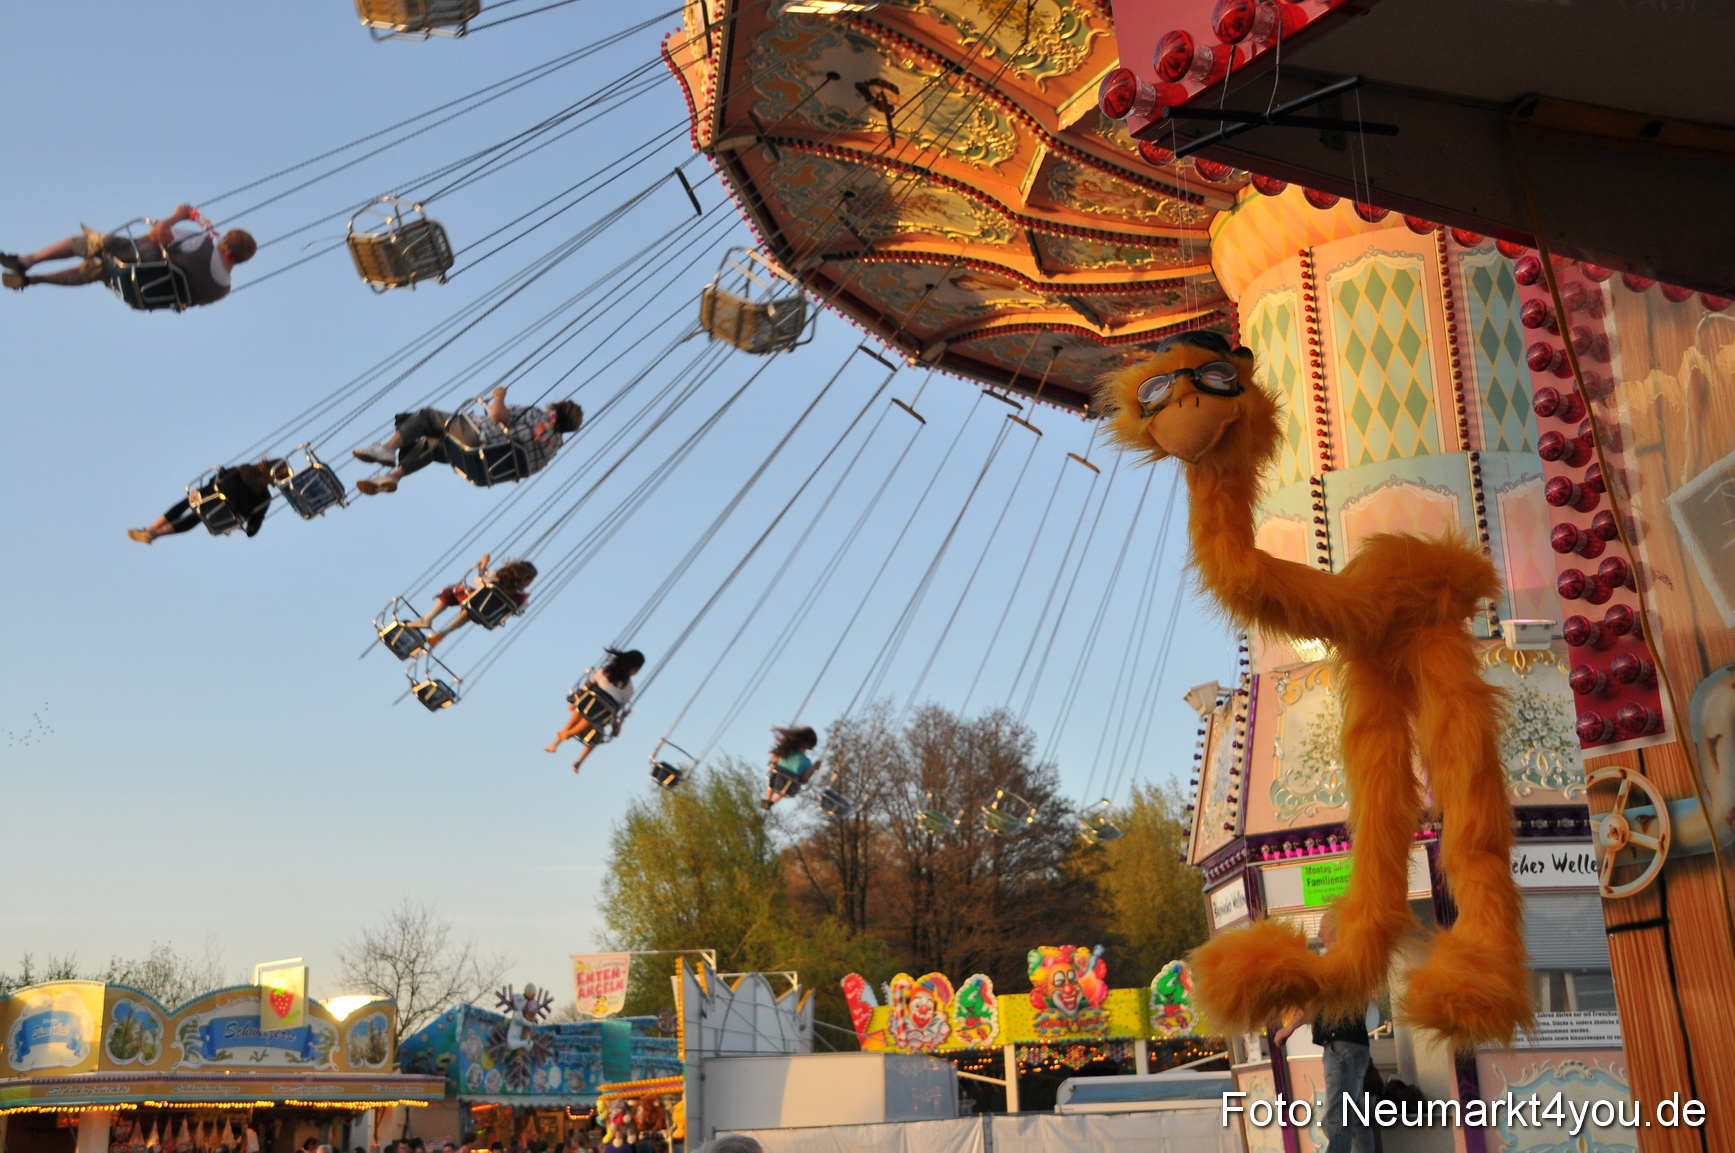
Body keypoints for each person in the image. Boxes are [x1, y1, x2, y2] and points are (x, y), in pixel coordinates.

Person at [350, 386, 583, 495]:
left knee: (427, 416)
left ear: (558, 408)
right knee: (434, 444)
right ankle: (393, 477)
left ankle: (388, 450)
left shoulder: (539, 419)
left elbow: (497, 416)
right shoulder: (551, 449)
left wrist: (499, 397)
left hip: (479, 441)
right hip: (484, 470)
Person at [1271, 911, 1374, 1153]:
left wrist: (1289, 1027)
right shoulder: (1348, 962)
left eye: (1323, 928)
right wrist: (1289, 1028)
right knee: (1356, 1116)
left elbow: (1315, 1003)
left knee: (1338, 1118)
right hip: (1349, 1046)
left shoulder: (1341, 963)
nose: (1318, 934)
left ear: (1337, 932)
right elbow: (1318, 1003)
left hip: (1343, 1047)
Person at [3, 205, 256, 303]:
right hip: (142, 293)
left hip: (138, 260)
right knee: (98, 272)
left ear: (225, 243)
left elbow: (158, 233)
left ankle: (28, 261)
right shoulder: (222, 289)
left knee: (91, 242)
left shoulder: (198, 242)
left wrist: (180, 215)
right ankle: (33, 281)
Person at [128, 458, 285, 543]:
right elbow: (253, 527)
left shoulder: (243, 469)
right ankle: (156, 534)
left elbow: (218, 478)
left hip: (208, 497)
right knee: (199, 517)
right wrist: (250, 527)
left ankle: (151, 529)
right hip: (224, 516)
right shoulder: (265, 498)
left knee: (190, 503)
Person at [407, 553, 538, 647]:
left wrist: (483, 565)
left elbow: (478, 580)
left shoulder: (495, 578)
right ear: (526, 580)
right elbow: (518, 611)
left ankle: (428, 618)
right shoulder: (522, 599)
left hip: (473, 603)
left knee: (454, 591)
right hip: (486, 616)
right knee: (469, 613)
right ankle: (444, 632)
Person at [546, 648, 645, 770]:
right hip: (602, 712)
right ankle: (571, 742)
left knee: (579, 715)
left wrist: (576, 699)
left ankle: (555, 743)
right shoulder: (628, 689)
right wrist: (616, 724)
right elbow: (617, 710)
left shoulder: (605, 671)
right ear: (634, 668)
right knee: (595, 719)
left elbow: (588, 685)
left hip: (588, 702)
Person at [762, 725, 820, 810]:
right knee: (786, 790)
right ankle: (772, 801)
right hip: (791, 782)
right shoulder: (807, 762)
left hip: (777, 775)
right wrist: (814, 769)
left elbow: (774, 759)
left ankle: (768, 799)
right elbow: (804, 779)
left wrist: (773, 762)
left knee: (773, 783)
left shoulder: (785, 749)